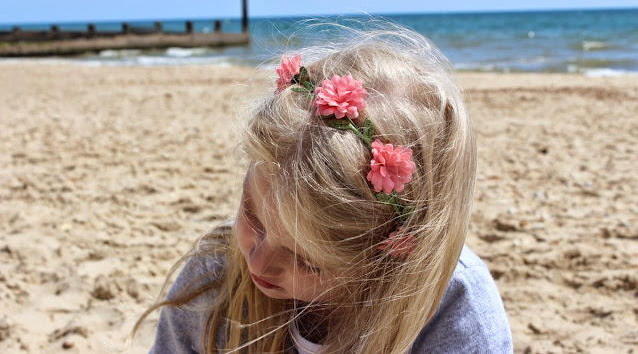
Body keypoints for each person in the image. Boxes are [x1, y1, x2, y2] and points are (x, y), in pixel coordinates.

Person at [135, 23, 513, 353]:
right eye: (252, 214)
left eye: (306, 260)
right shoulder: (216, 275)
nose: (258, 261)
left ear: (389, 257)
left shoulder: (456, 310)